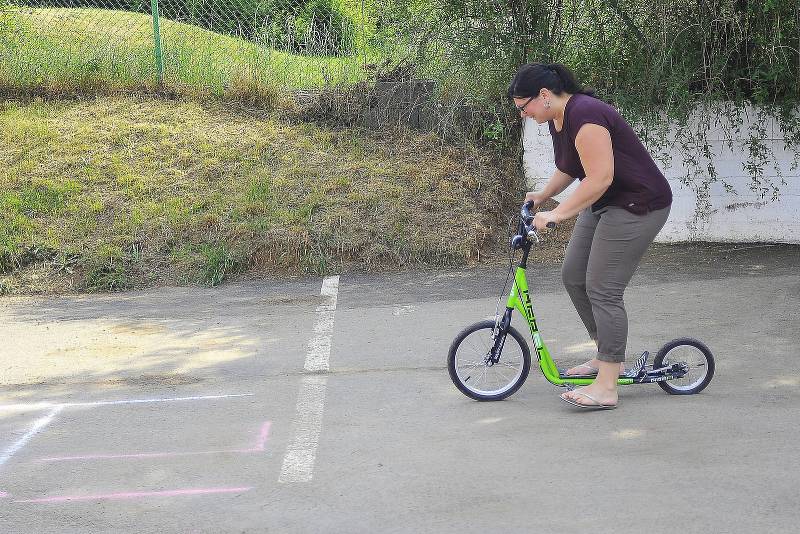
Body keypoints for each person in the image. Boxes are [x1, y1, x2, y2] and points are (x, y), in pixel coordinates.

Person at [508, 62, 672, 410]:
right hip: (607, 203)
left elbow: (600, 178)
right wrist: (542, 195)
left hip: (638, 203)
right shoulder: (557, 118)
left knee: (603, 288)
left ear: (544, 95)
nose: (524, 114)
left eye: (525, 107)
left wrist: (556, 214)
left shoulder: (586, 115)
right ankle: (605, 354)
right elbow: (570, 167)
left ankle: (607, 385)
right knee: (573, 276)